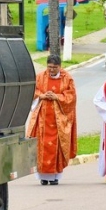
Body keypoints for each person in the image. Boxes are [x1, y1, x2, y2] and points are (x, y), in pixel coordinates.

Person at [26, 55, 77, 185]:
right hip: (42, 118)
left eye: (55, 67)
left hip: (59, 120)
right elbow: (32, 90)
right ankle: (42, 177)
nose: (52, 70)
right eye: (49, 67)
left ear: (60, 66)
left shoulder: (67, 78)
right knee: (41, 145)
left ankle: (55, 176)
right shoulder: (40, 77)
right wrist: (41, 95)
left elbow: (71, 97)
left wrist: (57, 96)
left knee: (57, 146)